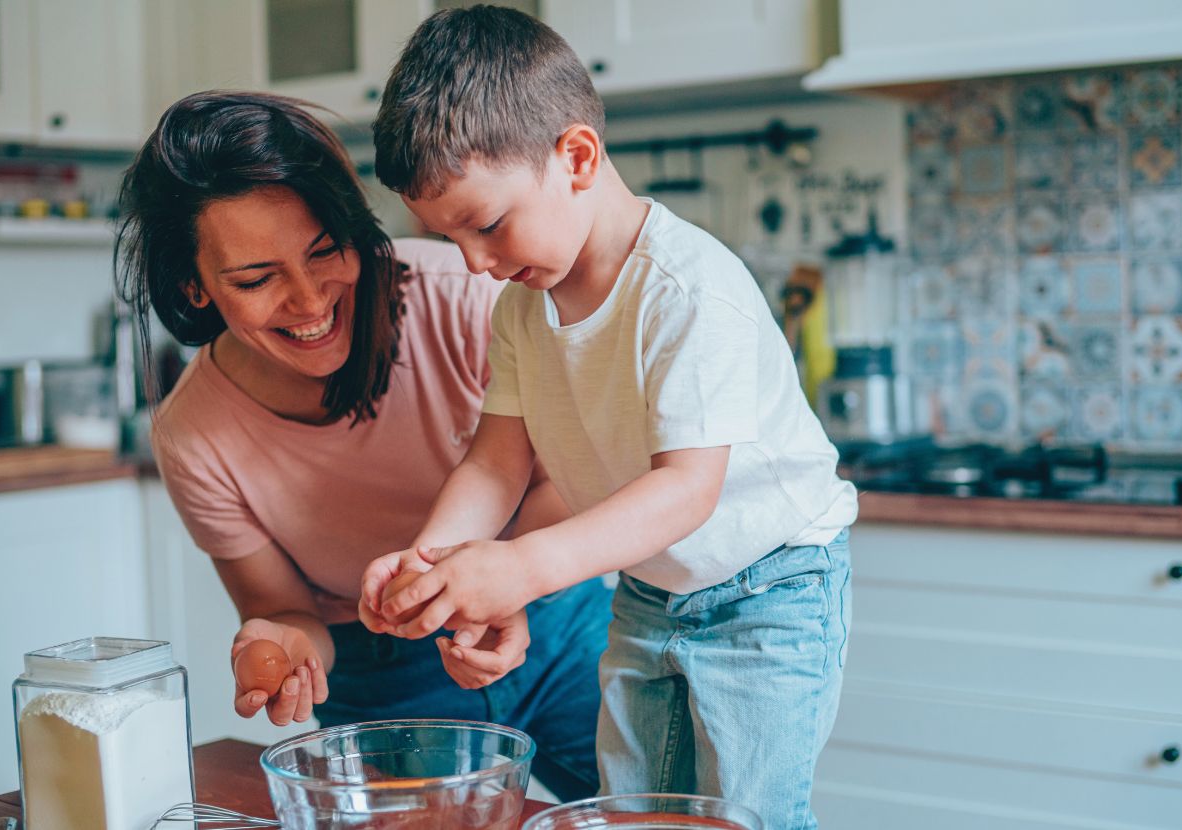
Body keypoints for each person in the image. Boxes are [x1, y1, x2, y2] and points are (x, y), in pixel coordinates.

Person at [358, 6, 858, 828]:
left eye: (486, 225)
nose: (478, 266)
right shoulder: (523, 308)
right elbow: (495, 463)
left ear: (577, 156)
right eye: (452, 241)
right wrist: (435, 564)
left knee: (739, 819)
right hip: (650, 590)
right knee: (628, 811)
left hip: (772, 591)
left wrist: (518, 569)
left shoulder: (688, 289)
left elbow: (685, 493)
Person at [114, 90, 611, 801]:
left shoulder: (465, 297)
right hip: (382, 689)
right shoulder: (194, 436)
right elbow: (289, 613)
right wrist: (285, 646)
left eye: (325, 251)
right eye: (256, 279)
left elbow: (575, 475)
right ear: (194, 288)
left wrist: (498, 581)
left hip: (560, 627)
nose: (311, 301)